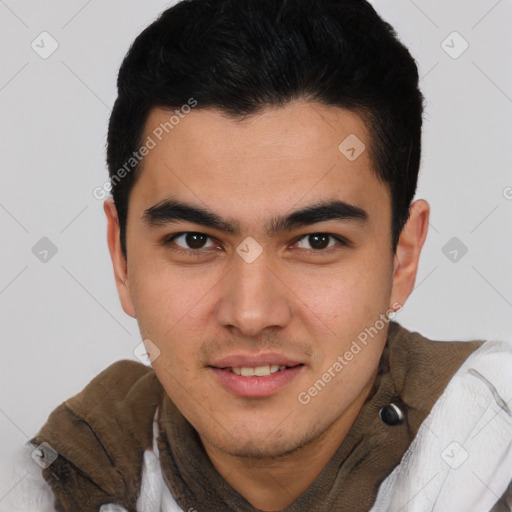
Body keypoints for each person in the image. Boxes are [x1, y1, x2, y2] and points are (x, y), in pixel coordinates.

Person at [8, 0, 512, 510]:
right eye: (194, 241)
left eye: (316, 241)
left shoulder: (493, 444)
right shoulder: (63, 478)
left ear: (402, 257)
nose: (250, 315)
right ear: (121, 258)